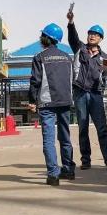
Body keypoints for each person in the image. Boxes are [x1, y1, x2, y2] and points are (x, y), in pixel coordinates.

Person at [66, 10, 107, 171]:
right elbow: (72, 37)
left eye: (96, 34)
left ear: (101, 38)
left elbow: (105, 77)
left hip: (96, 94)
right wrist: (71, 22)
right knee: (83, 127)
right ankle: (85, 160)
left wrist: (101, 89)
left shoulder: (104, 57)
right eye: (90, 34)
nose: (92, 36)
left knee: (102, 128)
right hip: (80, 92)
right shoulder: (80, 48)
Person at [28, 23, 75, 186]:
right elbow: (72, 79)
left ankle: (53, 175)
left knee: (49, 139)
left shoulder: (39, 57)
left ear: (46, 38)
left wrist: (32, 100)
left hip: (47, 103)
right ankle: (68, 170)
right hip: (65, 101)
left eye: (42, 36)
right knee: (65, 137)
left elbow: (35, 81)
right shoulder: (67, 57)